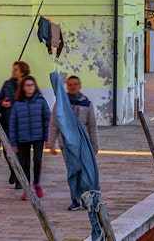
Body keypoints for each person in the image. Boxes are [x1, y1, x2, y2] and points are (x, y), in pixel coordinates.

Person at [47, 75, 99, 210]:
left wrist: (94, 146)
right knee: (73, 171)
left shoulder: (86, 104)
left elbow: (92, 126)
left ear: (80, 86)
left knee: (85, 171)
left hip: (83, 144)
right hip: (67, 144)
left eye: (76, 84)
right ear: (66, 86)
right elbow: (54, 124)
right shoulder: (60, 105)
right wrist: (51, 143)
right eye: (70, 84)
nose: (73, 86)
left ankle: (86, 196)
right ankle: (75, 198)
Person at [9, 75, 51, 200]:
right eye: (27, 85)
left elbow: (47, 119)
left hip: (38, 136)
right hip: (23, 137)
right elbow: (13, 123)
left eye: (32, 85)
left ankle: (36, 182)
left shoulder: (41, 101)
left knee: (37, 159)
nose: (30, 87)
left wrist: (48, 137)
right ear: (23, 88)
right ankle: (27, 189)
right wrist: (13, 142)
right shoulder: (17, 104)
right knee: (24, 163)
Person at [0, 60, 30, 187]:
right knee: (7, 150)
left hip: (22, 123)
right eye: (13, 69)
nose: (13, 72)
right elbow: (0, 99)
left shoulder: (28, 85)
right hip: (8, 121)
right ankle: (13, 170)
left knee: (21, 151)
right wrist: (3, 104)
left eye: (15, 70)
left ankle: (19, 179)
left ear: (22, 71)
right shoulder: (7, 84)